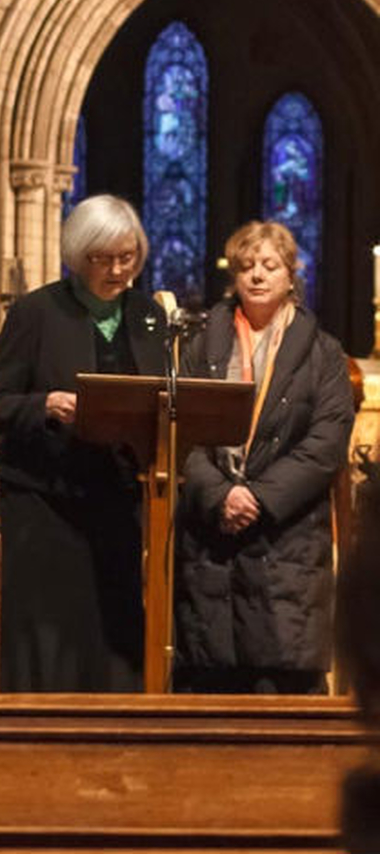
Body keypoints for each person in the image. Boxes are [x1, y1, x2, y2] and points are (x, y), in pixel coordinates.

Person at [0, 194, 167, 692]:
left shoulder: (148, 316)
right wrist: (47, 405)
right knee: (50, 626)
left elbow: (166, 396)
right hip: (45, 501)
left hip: (118, 496)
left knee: (113, 627)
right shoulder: (36, 312)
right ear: (77, 255)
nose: (116, 270)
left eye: (126, 257)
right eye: (101, 259)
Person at [174, 220, 354, 694]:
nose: (257, 275)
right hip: (212, 540)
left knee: (281, 693)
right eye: (247, 266)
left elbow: (326, 443)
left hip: (286, 539)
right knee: (209, 694)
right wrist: (220, 495)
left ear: (290, 275)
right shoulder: (200, 346)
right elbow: (180, 432)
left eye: (269, 266)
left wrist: (256, 498)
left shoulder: (323, 352)